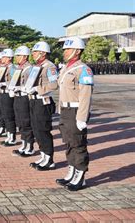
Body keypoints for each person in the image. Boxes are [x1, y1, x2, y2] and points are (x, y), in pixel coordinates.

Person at [56, 37, 93, 191]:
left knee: (78, 145)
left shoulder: (83, 69)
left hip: (76, 111)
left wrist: (82, 118)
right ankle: (71, 171)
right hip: (65, 110)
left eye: (68, 49)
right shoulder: (66, 68)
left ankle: (80, 176)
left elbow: (86, 95)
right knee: (69, 143)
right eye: (65, 49)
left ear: (77, 51)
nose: (65, 52)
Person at [26, 41, 58, 171]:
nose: (33, 54)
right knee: (36, 129)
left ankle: (49, 159)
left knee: (43, 130)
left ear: (43, 53)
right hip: (33, 100)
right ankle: (43, 156)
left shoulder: (49, 66)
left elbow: (54, 84)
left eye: (35, 52)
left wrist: (37, 89)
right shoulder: (36, 66)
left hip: (43, 101)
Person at [10, 46, 35, 157]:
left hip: (25, 97)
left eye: (19, 55)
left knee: (26, 122)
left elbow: (30, 84)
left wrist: (20, 88)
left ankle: (29, 146)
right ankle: (24, 144)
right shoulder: (18, 68)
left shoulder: (29, 68)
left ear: (25, 56)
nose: (17, 57)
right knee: (19, 121)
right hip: (17, 96)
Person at [0, 48, 17, 146]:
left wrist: (5, 83)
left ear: (9, 58)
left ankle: (12, 137)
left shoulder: (12, 68)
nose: (2, 59)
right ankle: (8, 135)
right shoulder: (4, 67)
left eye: (4, 57)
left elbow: (14, 80)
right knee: (4, 114)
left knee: (9, 115)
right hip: (3, 92)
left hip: (9, 93)